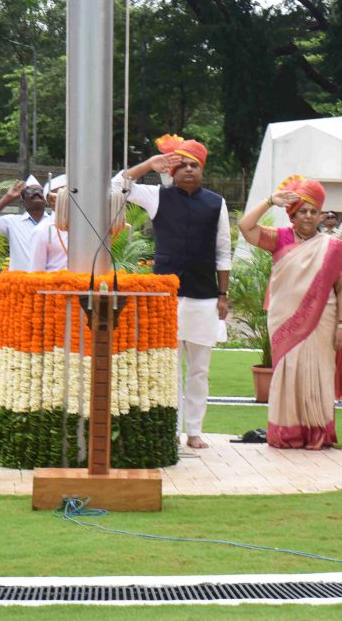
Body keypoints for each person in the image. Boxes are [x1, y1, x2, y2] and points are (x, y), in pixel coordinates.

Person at [113, 134, 230, 450]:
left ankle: (194, 430)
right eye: (182, 165)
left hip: (205, 296)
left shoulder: (216, 203)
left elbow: (223, 251)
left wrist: (223, 294)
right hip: (165, 295)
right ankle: (170, 431)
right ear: (173, 171)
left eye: (194, 165)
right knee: (168, 367)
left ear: (202, 170)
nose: (188, 170)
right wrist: (148, 165)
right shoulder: (157, 196)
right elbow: (116, 186)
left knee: (199, 370)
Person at [238, 176, 342, 449]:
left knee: (318, 372)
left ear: (321, 215)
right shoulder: (279, 239)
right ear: (292, 214)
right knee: (287, 373)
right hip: (283, 321)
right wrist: (270, 200)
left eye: (313, 211)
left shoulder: (333, 247)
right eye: (302, 210)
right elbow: (246, 227)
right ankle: (288, 433)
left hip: (323, 320)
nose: (308, 216)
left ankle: (316, 432)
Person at [0, 176, 50, 272]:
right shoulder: (12, 222)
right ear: (23, 202)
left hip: (49, 284)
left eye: (40, 191)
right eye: (30, 191)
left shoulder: (55, 223)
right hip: (19, 285)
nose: (36, 193)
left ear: (46, 199)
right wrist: (7, 198)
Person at [28, 175, 69, 272]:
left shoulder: (85, 228)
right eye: (67, 193)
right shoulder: (42, 231)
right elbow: (36, 274)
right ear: (52, 200)